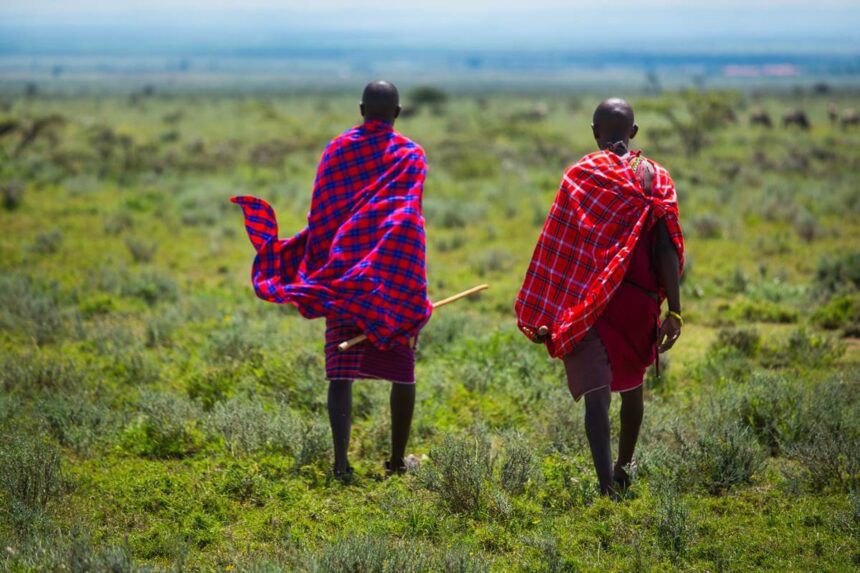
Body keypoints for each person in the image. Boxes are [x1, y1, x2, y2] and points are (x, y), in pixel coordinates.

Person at [232, 80, 431, 482]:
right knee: (402, 371)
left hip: (342, 278)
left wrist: (322, 263)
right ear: (397, 112)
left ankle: (340, 465)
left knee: (340, 373)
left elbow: (322, 219)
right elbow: (406, 217)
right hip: (395, 279)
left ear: (361, 109)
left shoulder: (337, 150)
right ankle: (395, 462)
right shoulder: (412, 155)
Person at [515, 98, 685, 497]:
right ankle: (623, 470)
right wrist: (674, 310)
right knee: (632, 389)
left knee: (597, 397)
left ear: (594, 133)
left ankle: (605, 483)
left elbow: (557, 249)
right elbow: (666, 250)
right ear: (634, 132)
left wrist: (545, 311)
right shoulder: (656, 179)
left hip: (587, 303)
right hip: (637, 303)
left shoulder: (580, 175)